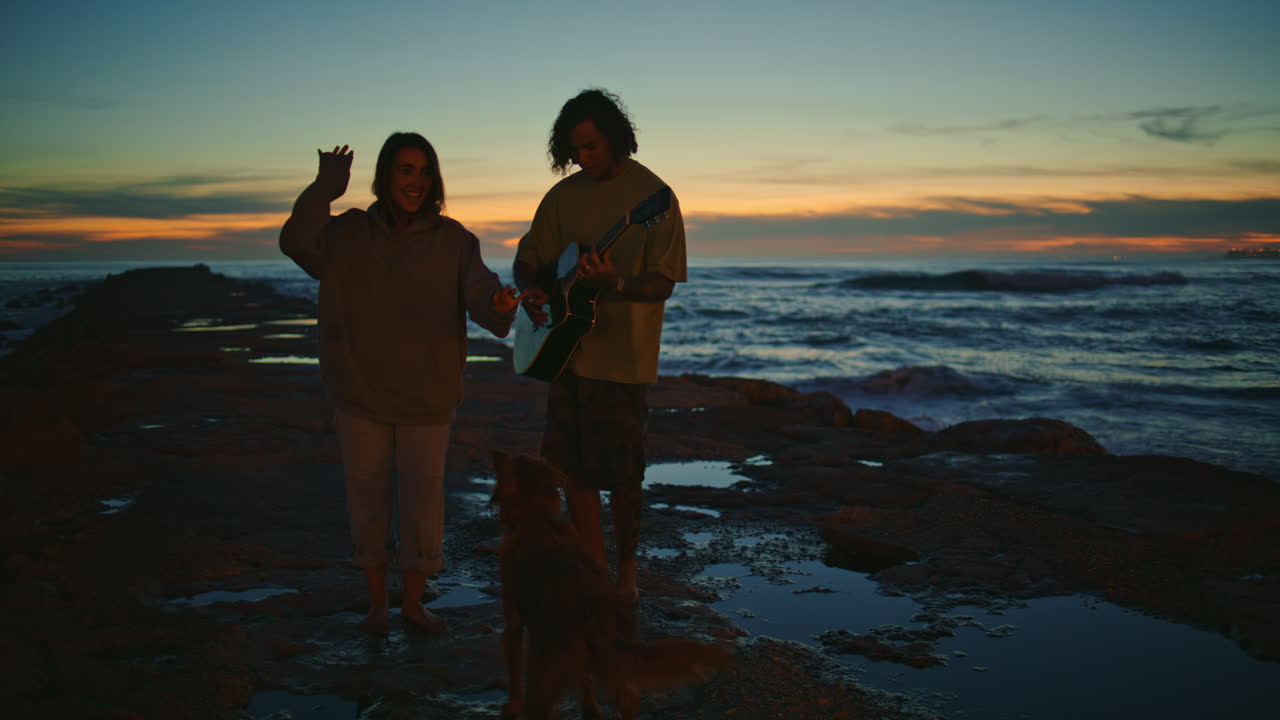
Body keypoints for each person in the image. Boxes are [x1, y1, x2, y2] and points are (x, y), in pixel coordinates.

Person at [280, 132, 519, 635]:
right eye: (405, 170)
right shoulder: (348, 233)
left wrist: (499, 305)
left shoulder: (454, 241)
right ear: (385, 175)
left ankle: (412, 604)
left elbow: (482, 293)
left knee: (421, 505)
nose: (416, 181)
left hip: (427, 394)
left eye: (425, 171)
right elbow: (297, 243)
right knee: (366, 499)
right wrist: (324, 188)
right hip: (358, 388)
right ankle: (375, 605)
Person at [513, 89, 687, 606]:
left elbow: (663, 283)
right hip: (565, 352)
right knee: (571, 468)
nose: (582, 158)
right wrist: (531, 289)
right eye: (574, 150)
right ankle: (593, 565)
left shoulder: (655, 198)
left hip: (622, 359)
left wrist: (617, 283)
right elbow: (530, 257)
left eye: (590, 146)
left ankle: (627, 573)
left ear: (614, 137)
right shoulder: (561, 198)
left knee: (623, 474)